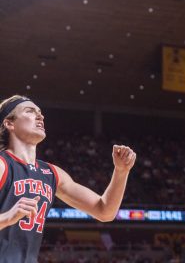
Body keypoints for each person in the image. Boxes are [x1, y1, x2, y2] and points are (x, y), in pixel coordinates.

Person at [0, 95, 136, 262]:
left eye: (40, 112)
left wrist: (121, 172)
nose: (40, 116)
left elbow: (105, 211)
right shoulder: (2, 165)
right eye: (30, 111)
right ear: (9, 123)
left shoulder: (52, 173)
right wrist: (8, 217)